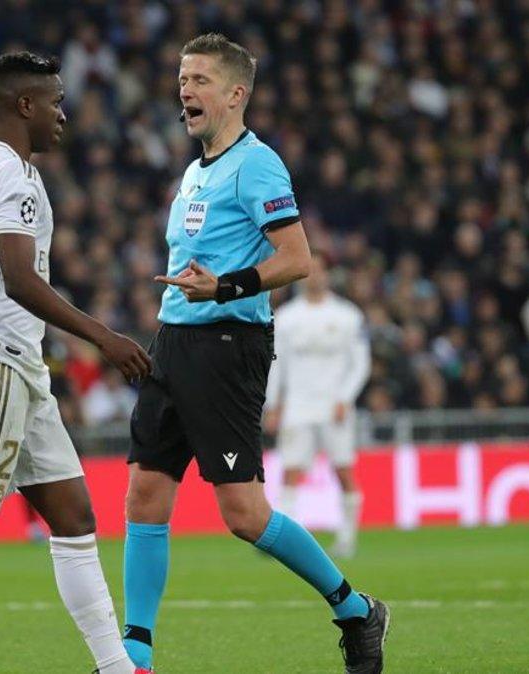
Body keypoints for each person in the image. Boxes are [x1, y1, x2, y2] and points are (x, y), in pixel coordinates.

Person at [122, 34, 389, 674]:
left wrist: (227, 286)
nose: (185, 90)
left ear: (236, 94)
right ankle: (133, 655)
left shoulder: (258, 164)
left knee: (243, 514)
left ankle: (356, 608)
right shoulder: (195, 169)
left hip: (226, 346)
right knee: (143, 498)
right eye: (182, 78)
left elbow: (296, 259)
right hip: (174, 341)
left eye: (200, 80)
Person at [0, 52, 152, 674]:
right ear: (23, 105)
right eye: (55, 101)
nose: (63, 115)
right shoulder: (11, 176)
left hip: (13, 368)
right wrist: (104, 337)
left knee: (74, 515)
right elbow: (17, 279)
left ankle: (116, 669)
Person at [265, 250, 370, 558]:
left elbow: (360, 364)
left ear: (328, 275)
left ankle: (347, 539)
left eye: (320, 270)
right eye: (309, 270)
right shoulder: (286, 317)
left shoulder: (348, 315)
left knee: (344, 471)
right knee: (291, 471)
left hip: (334, 405)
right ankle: (285, 543)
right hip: (298, 404)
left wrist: (345, 398)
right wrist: (273, 404)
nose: (314, 276)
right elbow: (277, 365)